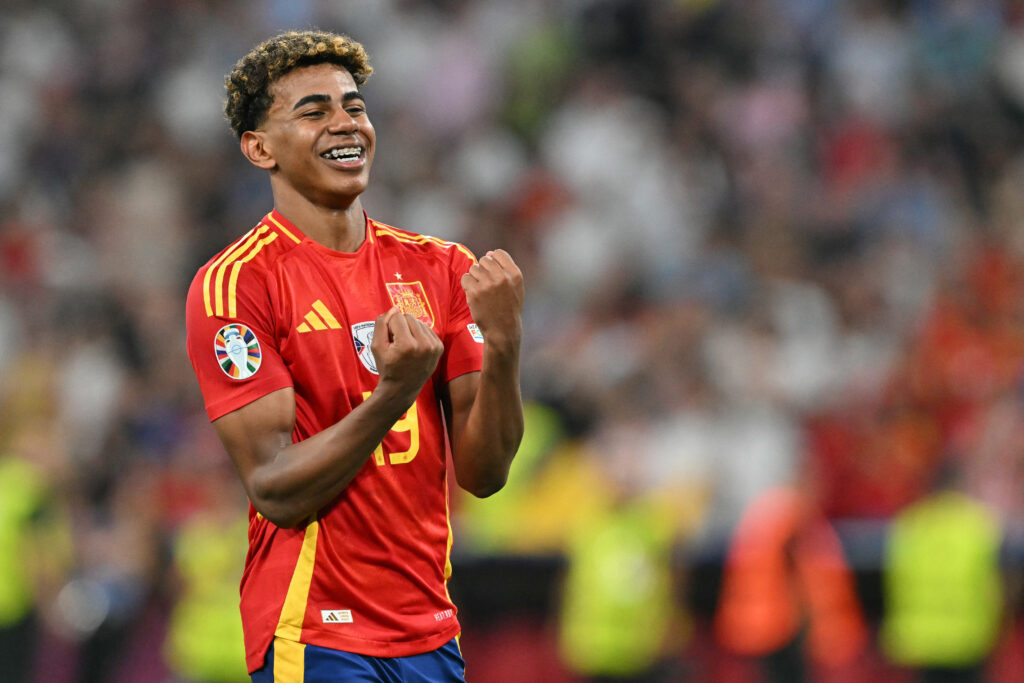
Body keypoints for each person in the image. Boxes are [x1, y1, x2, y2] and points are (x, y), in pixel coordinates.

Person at [184, 30, 524, 682]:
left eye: (355, 106)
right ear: (259, 148)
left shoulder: (441, 267)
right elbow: (276, 488)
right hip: (315, 626)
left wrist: (505, 346)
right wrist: (393, 393)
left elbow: (485, 472)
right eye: (313, 111)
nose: (345, 122)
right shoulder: (237, 284)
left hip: (428, 625)